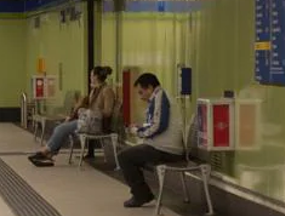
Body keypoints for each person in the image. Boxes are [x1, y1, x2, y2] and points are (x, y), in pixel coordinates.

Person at [118, 72, 185, 207]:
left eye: (141, 92)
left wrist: (138, 132)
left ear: (149, 87)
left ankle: (141, 195)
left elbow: (159, 125)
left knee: (124, 157)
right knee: (129, 155)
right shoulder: (157, 98)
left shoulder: (160, 96)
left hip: (166, 149)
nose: (140, 96)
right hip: (161, 146)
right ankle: (142, 194)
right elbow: (154, 124)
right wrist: (140, 128)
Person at [29, 66, 116, 167]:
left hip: (96, 125)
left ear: (96, 77)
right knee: (63, 128)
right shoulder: (95, 90)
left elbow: (108, 112)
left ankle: (44, 152)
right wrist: (81, 108)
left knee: (61, 129)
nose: (90, 77)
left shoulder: (107, 91)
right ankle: (49, 154)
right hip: (88, 122)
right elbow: (88, 107)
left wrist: (90, 112)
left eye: (91, 75)